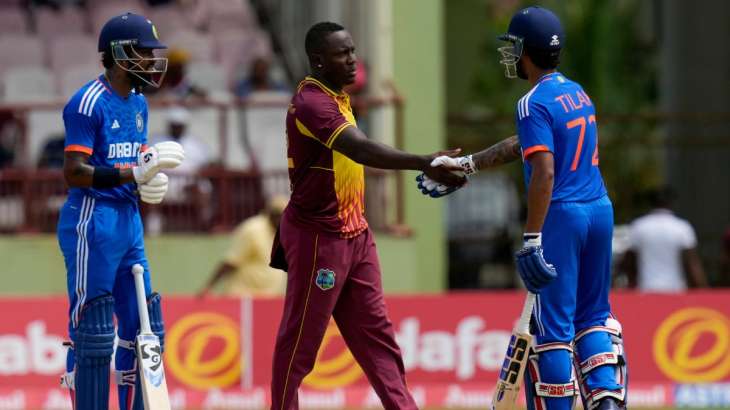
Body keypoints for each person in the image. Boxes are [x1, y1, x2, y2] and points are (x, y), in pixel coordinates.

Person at [416, 7, 627, 410]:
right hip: (599, 210)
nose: (509, 55)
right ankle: (607, 402)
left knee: (552, 328)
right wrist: (469, 164)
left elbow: (543, 170)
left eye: (513, 47)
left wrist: (532, 237)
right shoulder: (577, 92)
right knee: (594, 317)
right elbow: (524, 145)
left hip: (563, 216)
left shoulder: (531, 102)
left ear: (526, 52)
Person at [268, 21, 464, 410]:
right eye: (343, 53)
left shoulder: (337, 97)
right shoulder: (312, 102)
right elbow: (360, 150)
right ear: (318, 61)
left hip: (355, 235)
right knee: (301, 343)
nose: (353, 59)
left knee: (378, 338)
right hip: (319, 238)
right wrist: (423, 162)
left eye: (353, 50)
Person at [56, 12, 185, 410]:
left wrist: (145, 182)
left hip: (129, 223)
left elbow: (133, 164)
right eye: (145, 53)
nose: (152, 62)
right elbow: (74, 173)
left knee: (144, 325)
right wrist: (134, 172)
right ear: (120, 53)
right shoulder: (86, 102)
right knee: (93, 331)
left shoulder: (140, 103)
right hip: (92, 222)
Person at [198, 195, 288, 298]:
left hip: (268, 301)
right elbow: (231, 262)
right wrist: (208, 287)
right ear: (273, 215)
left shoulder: (283, 233)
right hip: (244, 299)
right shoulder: (253, 229)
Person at [620, 187, 707, 291]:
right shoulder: (682, 228)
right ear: (671, 203)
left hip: (646, 290)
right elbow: (692, 264)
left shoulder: (638, 227)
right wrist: (703, 291)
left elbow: (628, 262)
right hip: (675, 290)